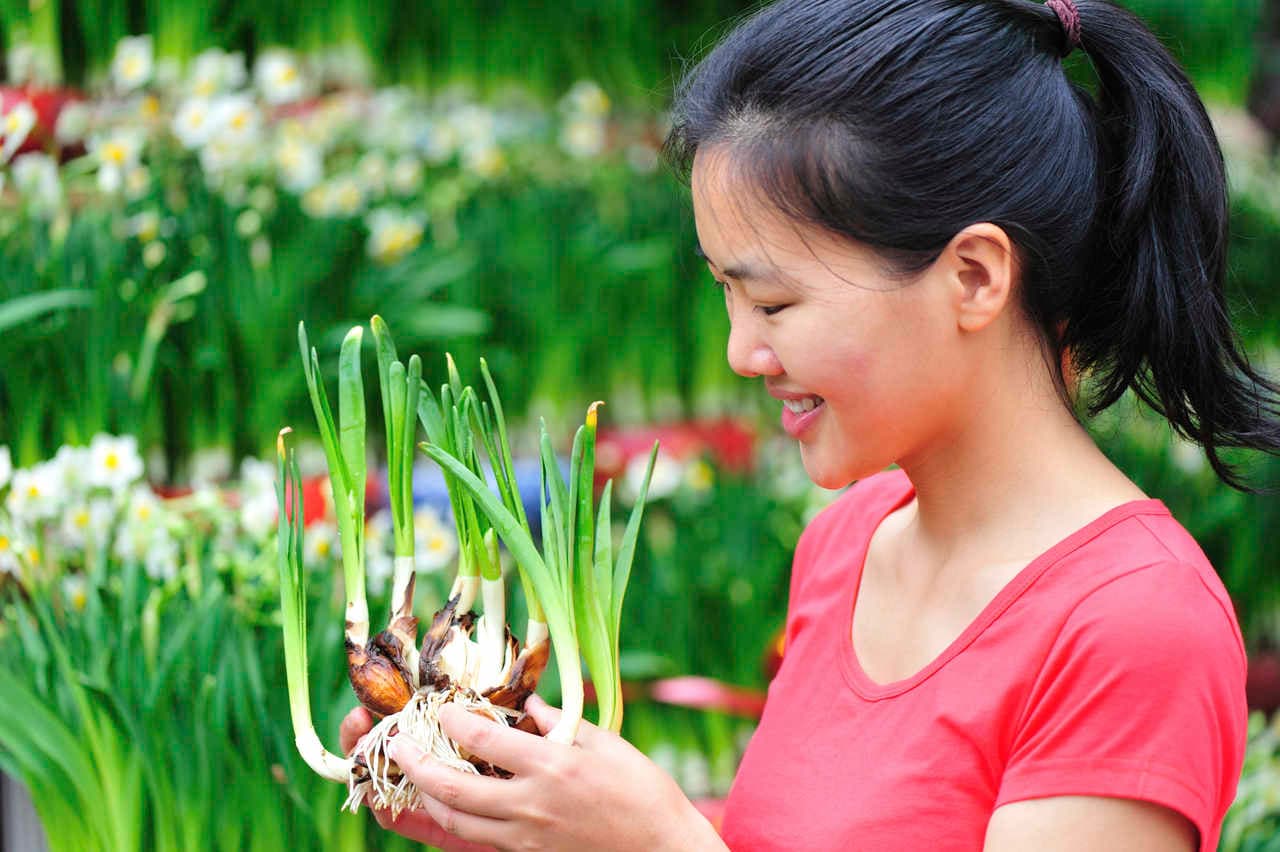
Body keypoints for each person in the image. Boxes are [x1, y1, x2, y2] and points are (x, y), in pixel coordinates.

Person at [339, 0, 1280, 848]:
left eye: (776, 305)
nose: (742, 354)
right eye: (728, 297)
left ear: (975, 278)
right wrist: (527, 817)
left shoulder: (1132, 630)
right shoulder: (847, 543)